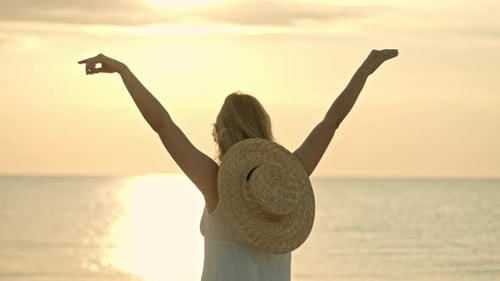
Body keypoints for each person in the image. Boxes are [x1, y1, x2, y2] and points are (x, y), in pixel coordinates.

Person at [78, 48, 398, 281]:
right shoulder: (287, 185)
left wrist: (124, 71)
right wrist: (364, 72)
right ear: (263, 129)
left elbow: (163, 124)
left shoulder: (215, 185)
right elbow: (331, 122)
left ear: (219, 134)